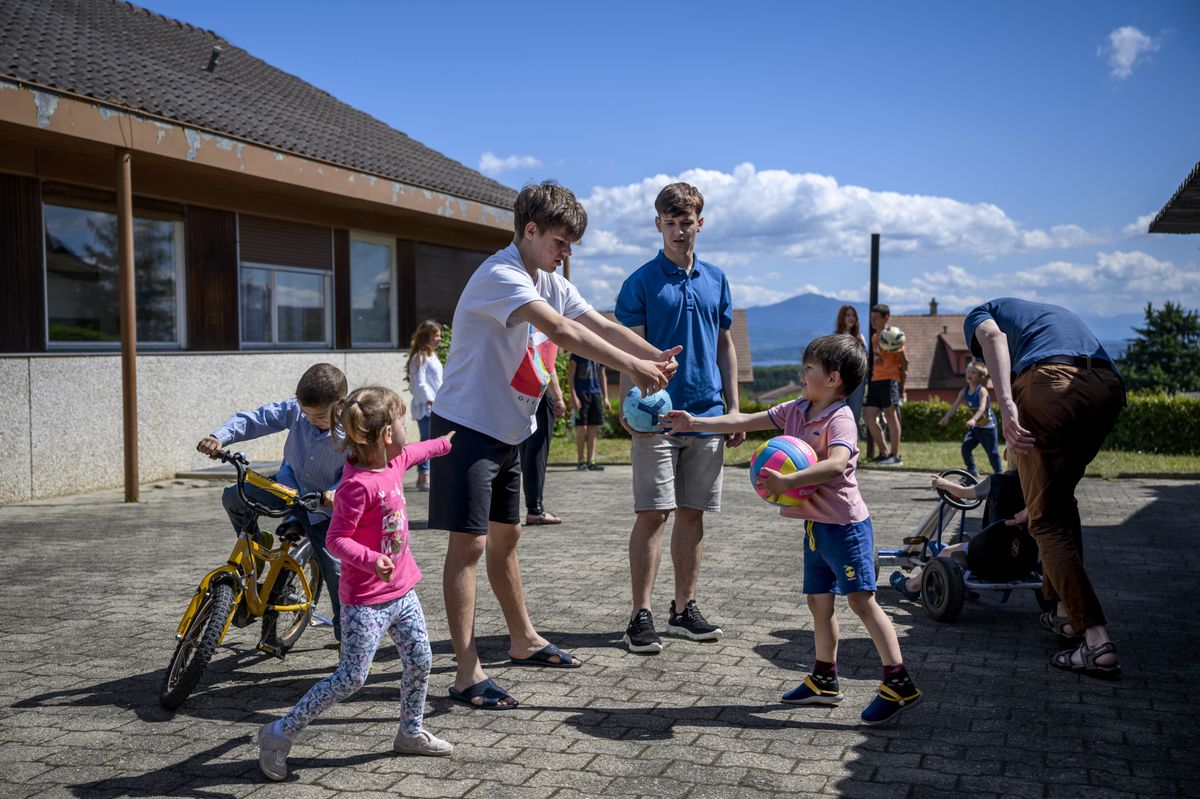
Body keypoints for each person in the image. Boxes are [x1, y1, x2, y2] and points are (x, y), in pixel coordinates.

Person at [429, 180, 681, 709]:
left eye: (571, 246)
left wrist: (654, 356)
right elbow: (563, 333)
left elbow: (598, 325)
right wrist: (634, 369)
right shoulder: (501, 275)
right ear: (531, 229)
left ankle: (522, 641)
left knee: (507, 538)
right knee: (469, 546)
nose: (567, 255)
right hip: (466, 429)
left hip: (507, 432)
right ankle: (466, 671)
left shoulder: (548, 278)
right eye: (561, 243)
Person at [663, 335, 920, 724]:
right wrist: (695, 423)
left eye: (809, 368)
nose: (802, 373)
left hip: (846, 527)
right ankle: (823, 679)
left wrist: (789, 481)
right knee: (819, 601)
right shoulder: (797, 409)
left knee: (861, 601)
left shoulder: (841, 419)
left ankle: (898, 682)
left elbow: (836, 464)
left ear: (833, 378)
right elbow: (745, 420)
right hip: (817, 526)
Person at [256, 386, 455, 781]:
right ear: (384, 434)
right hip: (365, 602)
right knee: (351, 678)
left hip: (403, 593)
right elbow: (336, 540)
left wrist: (448, 443)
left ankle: (410, 733)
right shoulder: (356, 485)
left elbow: (421, 451)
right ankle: (278, 733)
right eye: (401, 422)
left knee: (420, 660)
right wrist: (371, 558)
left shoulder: (394, 462)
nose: (405, 430)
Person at [965, 297, 1125, 680]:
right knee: (1059, 500)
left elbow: (991, 337)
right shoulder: (1046, 314)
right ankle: (1065, 615)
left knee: (1046, 522)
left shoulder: (980, 313)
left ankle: (1095, 640)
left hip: (1051, 384)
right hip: (1107, 387)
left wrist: (1007, 406)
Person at [615, 182, 742, 654]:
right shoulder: (640, 281)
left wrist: (732, 409)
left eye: (686, 221)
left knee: (693, 513)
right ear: (658, 225)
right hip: (657, 415)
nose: (678, 230)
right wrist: (628, 405)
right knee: (653, 513)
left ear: (699, 223)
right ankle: (639, 616)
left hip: (707, 414)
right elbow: (626, 349)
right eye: (669, 222)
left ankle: (683, 609)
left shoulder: (717, 279)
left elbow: (725, 345)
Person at [197, 362, 346, 642]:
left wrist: (338, 492)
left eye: (320, 417)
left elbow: (361, 469)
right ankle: (257, 545)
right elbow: (258, 419)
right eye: (307, 413)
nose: (311, 420)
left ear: (340, 406)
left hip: (323, 508)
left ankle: (350, 639)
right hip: (286, 488)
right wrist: (219, 437)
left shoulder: (353, 428)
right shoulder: (296, 411)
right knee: (233, 497)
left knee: (336, 569)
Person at [890, 472, 1032, 599]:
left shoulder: (998, 481)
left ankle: (911, 586)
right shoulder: (1039, 487)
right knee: (970, 540)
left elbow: (964, 493)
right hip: (1024, 560)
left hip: (990, 556)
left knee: (945, 552)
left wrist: (944, 484)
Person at [938, 361, 1003, 476]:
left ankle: (1000, 474)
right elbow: (954, 406)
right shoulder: (964, 391)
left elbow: (982, 408)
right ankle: (972, 471)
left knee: (992, 453)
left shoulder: (982, 391)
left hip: (988, 428)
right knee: (965, 448)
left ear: (980, 376)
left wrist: (973, 419)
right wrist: (946, 417)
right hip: (975, 428)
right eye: (968, 371)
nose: (969, 374)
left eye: (973, 372)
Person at [519, 366, 566, 525]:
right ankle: (535, 510)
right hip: (540, 392)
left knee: (523, 451)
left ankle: (531, 507)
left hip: (519, 391)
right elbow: (548, 365)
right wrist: (558, 397)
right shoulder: (547, 339)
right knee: (537, 451)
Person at [863, 304, 908, 466]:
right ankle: (884, 452)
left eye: (876, 318)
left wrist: (898, 351)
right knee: (868, 416)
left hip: (890, 380)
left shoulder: (893, 336)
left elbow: (905, 364)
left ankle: (895, 455)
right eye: (871, 318)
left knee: (890, 415)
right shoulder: (875, 337)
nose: (872, 321)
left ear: (886, 318)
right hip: (875, 380)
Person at [406, 320, 444, 492]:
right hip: (428, 407)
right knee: (427, 440)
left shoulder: (430, 356)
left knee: (432, 440)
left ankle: (427, 474)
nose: (438, 339)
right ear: (426, 337)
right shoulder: (419, 358)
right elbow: (420, 384)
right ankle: (424, 475)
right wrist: (431, 400)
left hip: (436, 405)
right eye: (435, 335)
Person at [568, 352, 608, 471]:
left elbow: (602, 375)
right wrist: (573, 396)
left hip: (595, 393)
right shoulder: (576, 353)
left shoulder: (598, 353)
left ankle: (591, 461)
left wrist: (605, 397)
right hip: (581, 394)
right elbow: (570, 376)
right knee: (582, 428)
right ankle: (581, 461)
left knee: (593, 428)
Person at [834, 304, 867, 434]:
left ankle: (852, 446)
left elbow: (865, 360)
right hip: (841, 380)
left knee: (854, 414)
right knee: (838, 412)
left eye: (853, 315)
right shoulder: (836, 337)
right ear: (842, 317)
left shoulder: (861, 338)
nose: (851, 318)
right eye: (848, 315)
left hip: (858, 382)